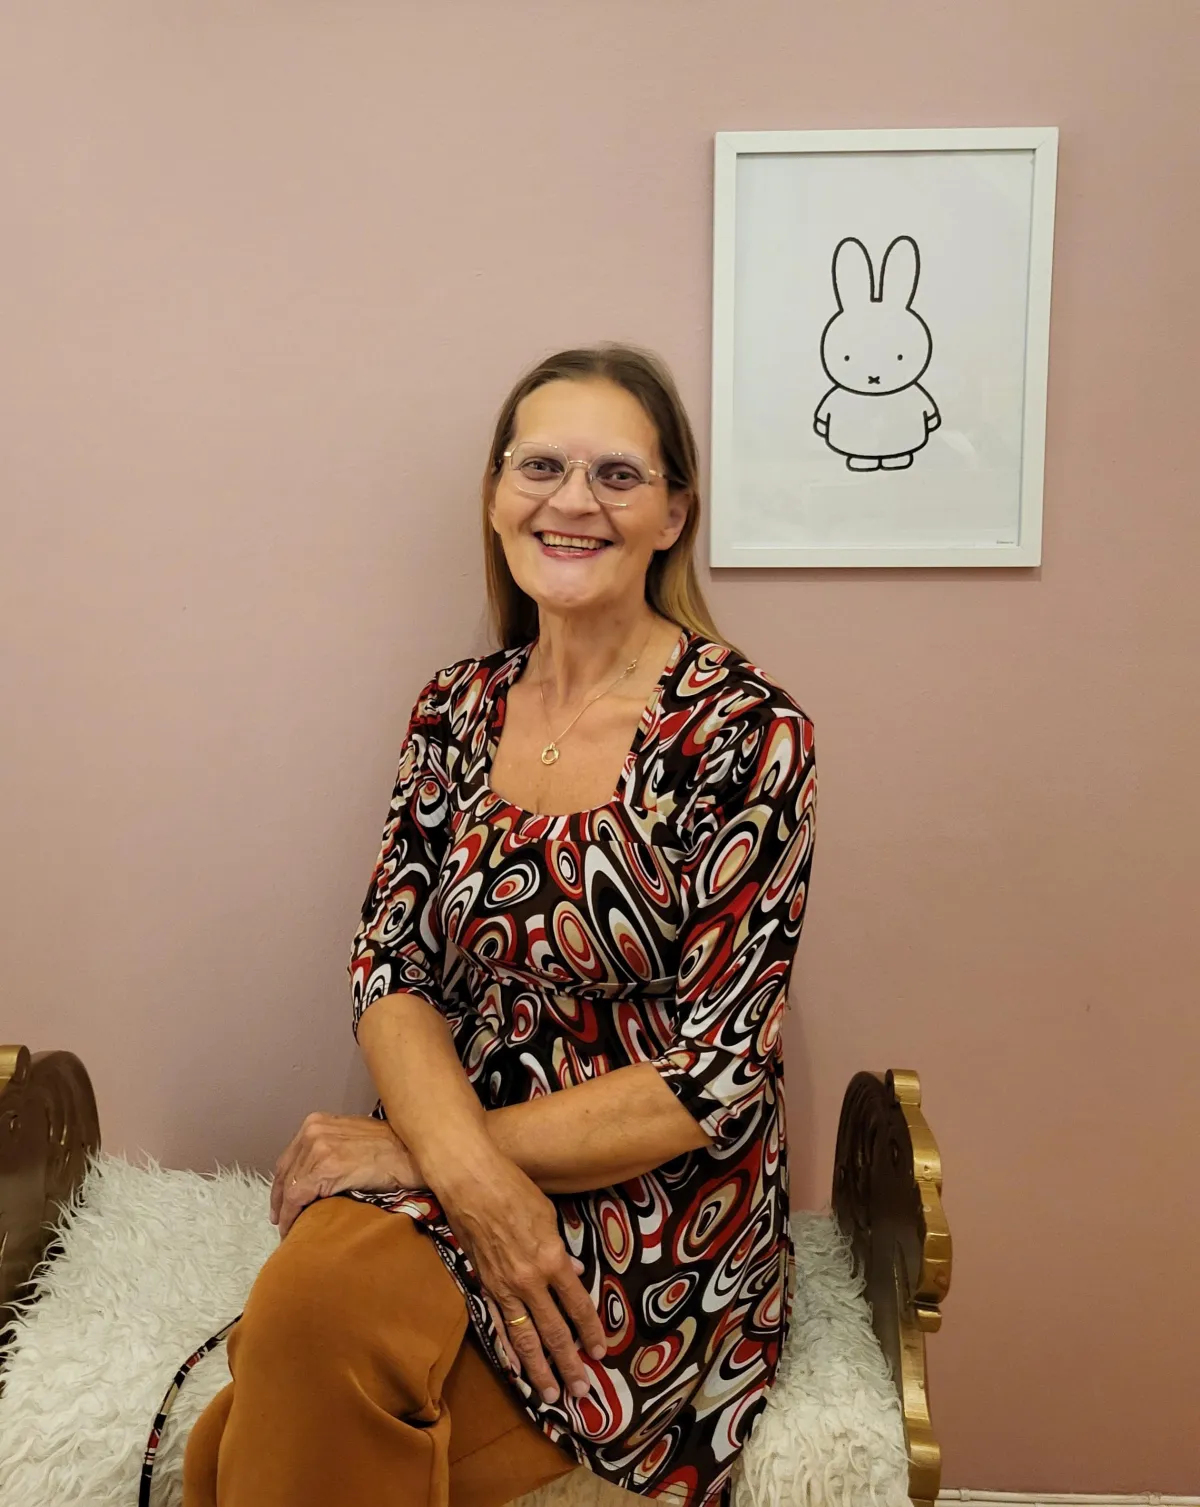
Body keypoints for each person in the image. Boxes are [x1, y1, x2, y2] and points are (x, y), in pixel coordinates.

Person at [182, 344, 817, 1507]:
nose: (573, 500)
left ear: (674, 514)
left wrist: (431, 1154)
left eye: (617, 474)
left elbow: (711, 1074)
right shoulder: (455, 707)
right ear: (494, 494)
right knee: (312, 1313)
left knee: (238, 1443)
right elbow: (391, 965)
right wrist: (460, 1170)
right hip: (448, 1150)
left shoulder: (747, 730)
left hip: (656, 1209)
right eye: (541, 467)